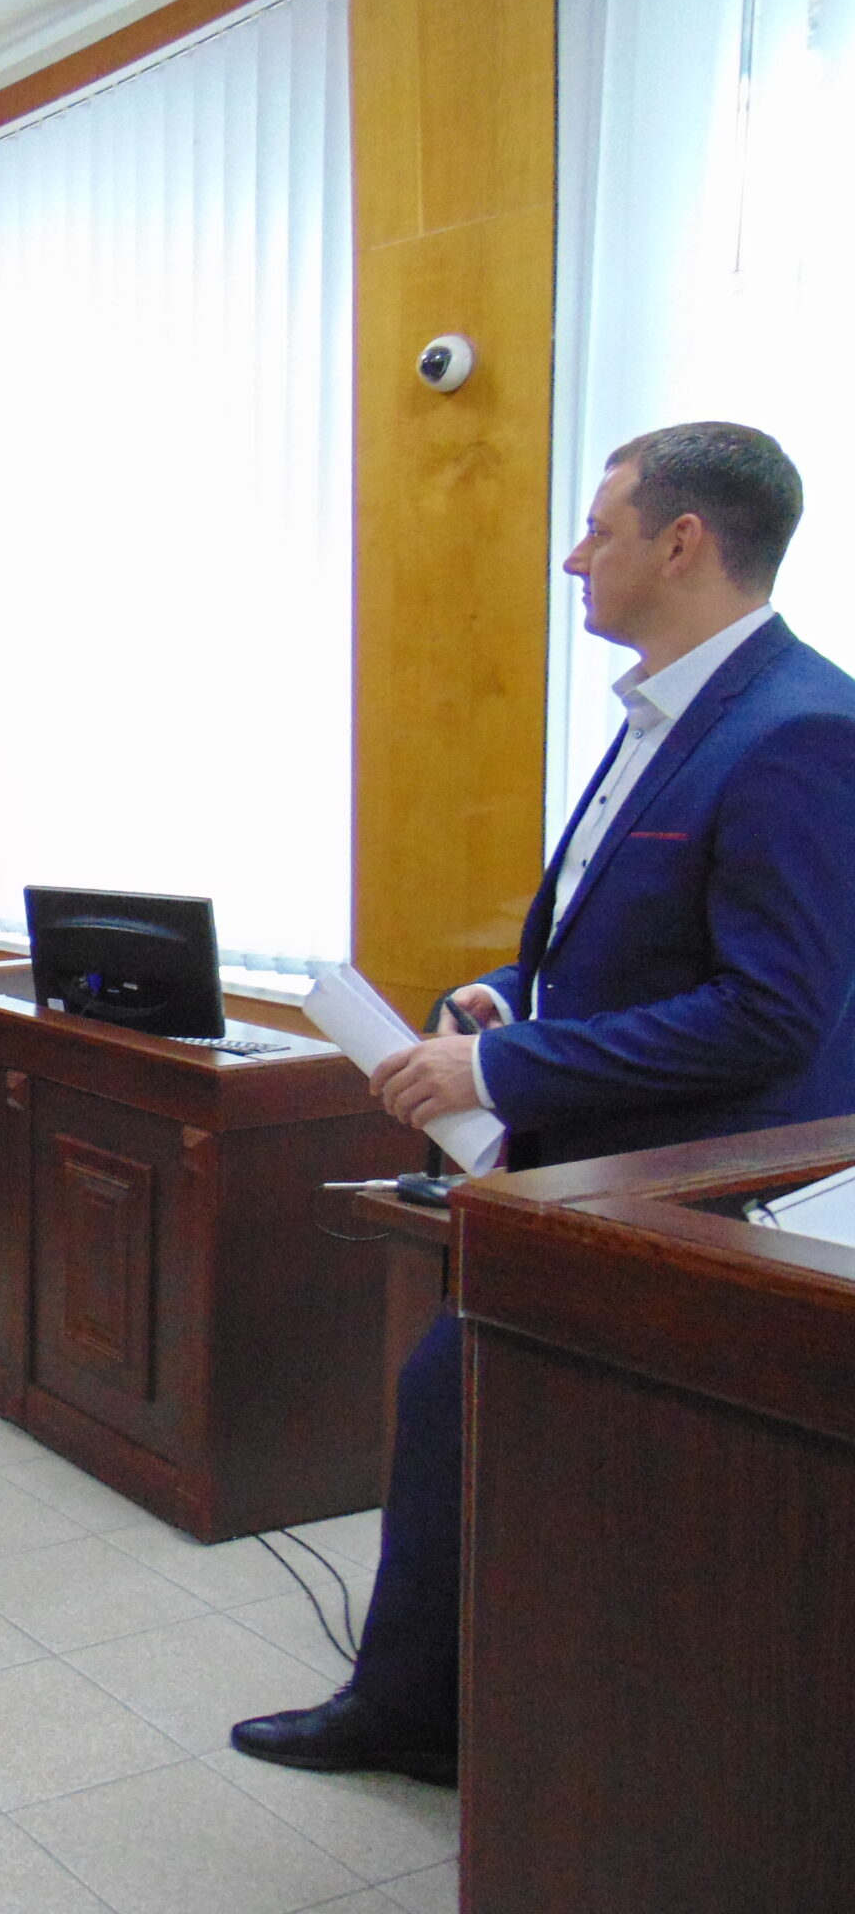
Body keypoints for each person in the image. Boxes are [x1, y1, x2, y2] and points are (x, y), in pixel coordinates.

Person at [233, 421, 855, 1785]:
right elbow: (632, 940)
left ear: (683, 543)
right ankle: (439, 1707)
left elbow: (774, 1011)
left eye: (598, 529)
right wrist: (514, 997)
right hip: (582, 1171)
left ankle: (440, 1718)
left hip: (685, 1199)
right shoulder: (673, 708)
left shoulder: (800, 730)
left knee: (468, 1409)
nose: (574, 558)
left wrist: (500, 1072)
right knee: (460, 1412)